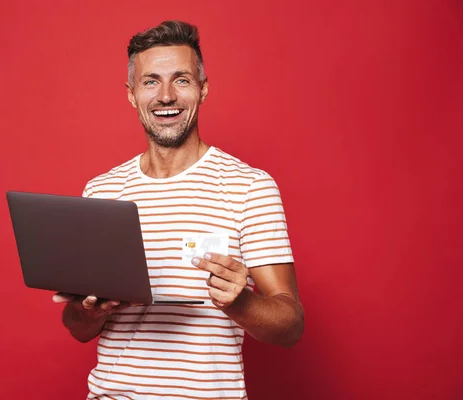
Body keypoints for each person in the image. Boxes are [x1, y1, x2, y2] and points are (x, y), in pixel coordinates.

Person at [53, 20, 304, 399]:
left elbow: (290, 326)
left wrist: (242, 302)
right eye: (150, 81)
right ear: (132, 94)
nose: (166, 96)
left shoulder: (250, 187)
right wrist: (88, 311)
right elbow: (78, 329)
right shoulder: (102, 190)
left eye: (182, 80)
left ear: (202, 90)